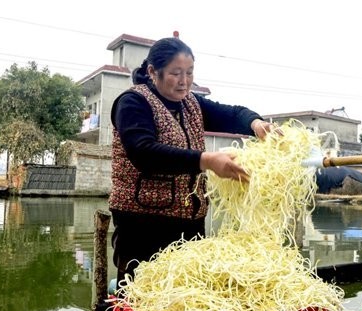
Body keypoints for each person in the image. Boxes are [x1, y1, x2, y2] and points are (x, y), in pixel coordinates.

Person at [109, 37, 275, 287]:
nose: (184, 81)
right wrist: (206, 160)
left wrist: (256, 124)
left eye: (189, 72)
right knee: (143, 293)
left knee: (188, 292)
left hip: (189, 221)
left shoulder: (191, 103)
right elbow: (144, 153)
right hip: (142, 224)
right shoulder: (133, 102)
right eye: (176, 73)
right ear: (153, 72)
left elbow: (233, 114)